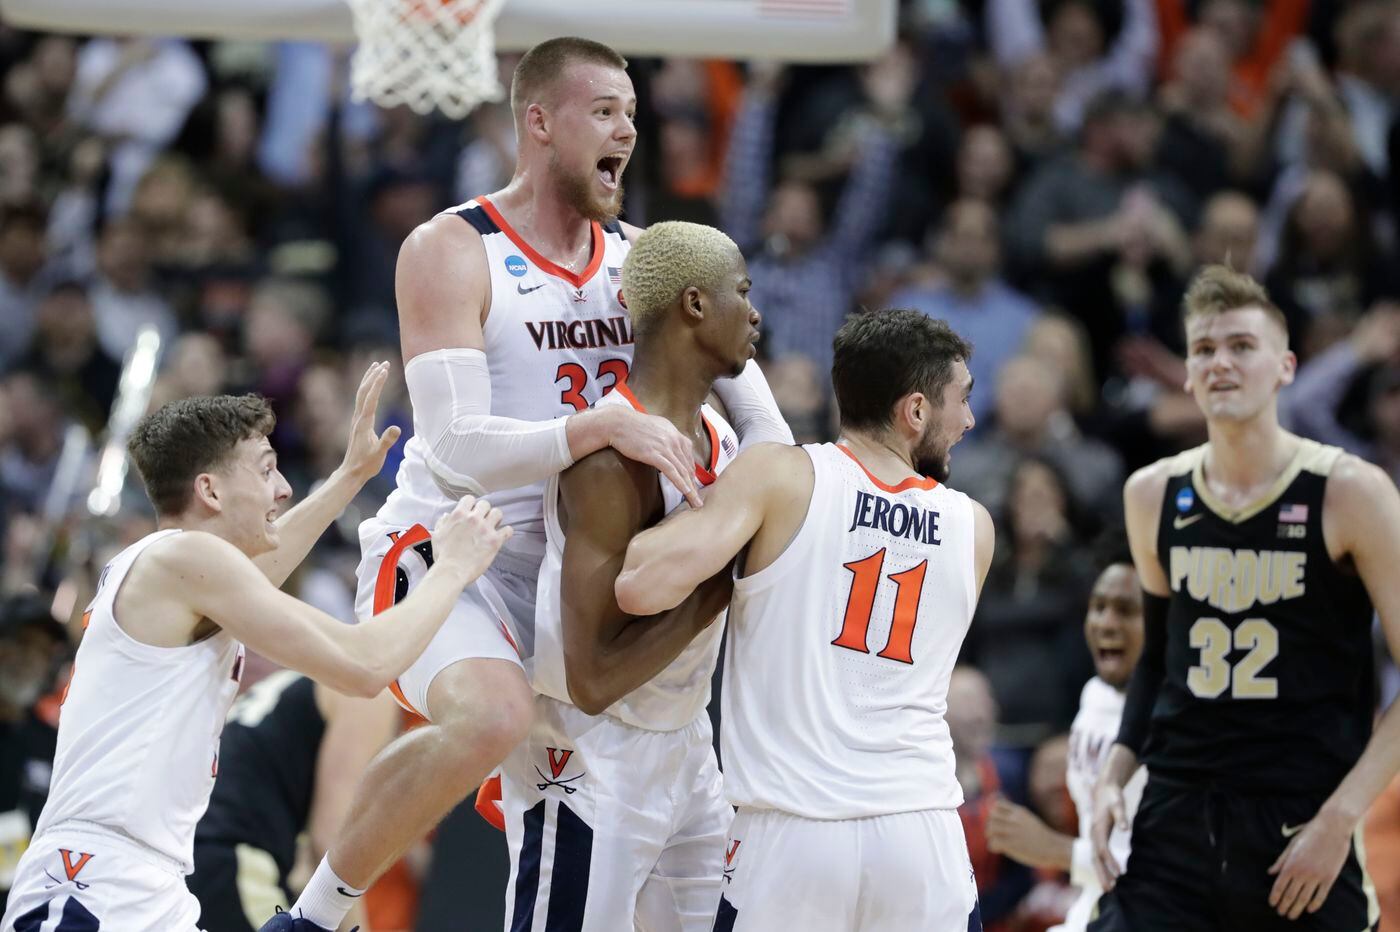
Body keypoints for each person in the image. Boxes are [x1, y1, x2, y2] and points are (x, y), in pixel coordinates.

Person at [277, 37, 790, 932]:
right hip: (456, 555)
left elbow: (766, 431)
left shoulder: (648, 258)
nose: (627, 130)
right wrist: (596, 427)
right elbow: (453, 445)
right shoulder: (452, 246)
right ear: (539, 121)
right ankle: (318, 915)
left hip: (579, 568)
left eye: (632, 114)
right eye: (605, 111)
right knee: (494, 716)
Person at [0, 363, 510, 932]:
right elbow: (365, 665)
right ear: (210, 490)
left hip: (152, 884)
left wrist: (349, 477)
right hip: (92, 878)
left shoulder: (180, 572)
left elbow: (264, 565)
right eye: (266, 470)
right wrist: (452, 568)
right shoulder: (185, 558)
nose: (283, 488)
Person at [615, 309, 992, 930]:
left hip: (792, 834)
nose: (970, 421)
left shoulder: (781, 477)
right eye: (963, 400)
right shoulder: (974, 527)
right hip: (922, 833)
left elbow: (637, 585)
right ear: (916, 411)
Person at [1089, 265, 1400, 930]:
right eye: (1203, 349)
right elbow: (1156, 661)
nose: (1220, 363)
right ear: (1187, 373)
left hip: (1300, 820)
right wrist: (1112, 779)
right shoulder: (1152, 494)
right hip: (1175, 817)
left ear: (1285, 367)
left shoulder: (1351, 492)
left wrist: (1341, 818)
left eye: (1240, 346)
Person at [501, 220, 754, 928]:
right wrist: (720, 584)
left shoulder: (721, 432)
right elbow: (592, 679)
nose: (754, 313)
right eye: (742, 292)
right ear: (696, 304)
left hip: (688, 742)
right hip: (591, 750)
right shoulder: (610, 458)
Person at [986, 548, 1147, 932]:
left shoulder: (1177, 723)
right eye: (1098, 607)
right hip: (1094, 908)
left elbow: (1166, 876)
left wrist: (1056, 851)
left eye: (1126, 611)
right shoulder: (1094, 697)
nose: (1106, 623)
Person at [188, 671, 402, 932]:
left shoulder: (307, 676)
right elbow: (333, 837)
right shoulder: (369, 692)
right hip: (235, 860)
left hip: (192, 849)